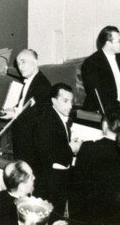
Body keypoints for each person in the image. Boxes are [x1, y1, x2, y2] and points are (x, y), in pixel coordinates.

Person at [25, 82, 81, 216]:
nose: (70, 105)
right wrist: (70, 149)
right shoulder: (46, 121)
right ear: (54, 101)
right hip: (50, 182)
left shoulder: (58, 117)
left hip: (60, 178)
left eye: (71, 101)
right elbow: (45, 154)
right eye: (65, 101)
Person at [80, 25, 120, 115]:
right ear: (108, 43)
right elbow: (99, 94)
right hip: (101, 112)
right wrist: (118, 106)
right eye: (119, 41)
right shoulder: (92, 63)